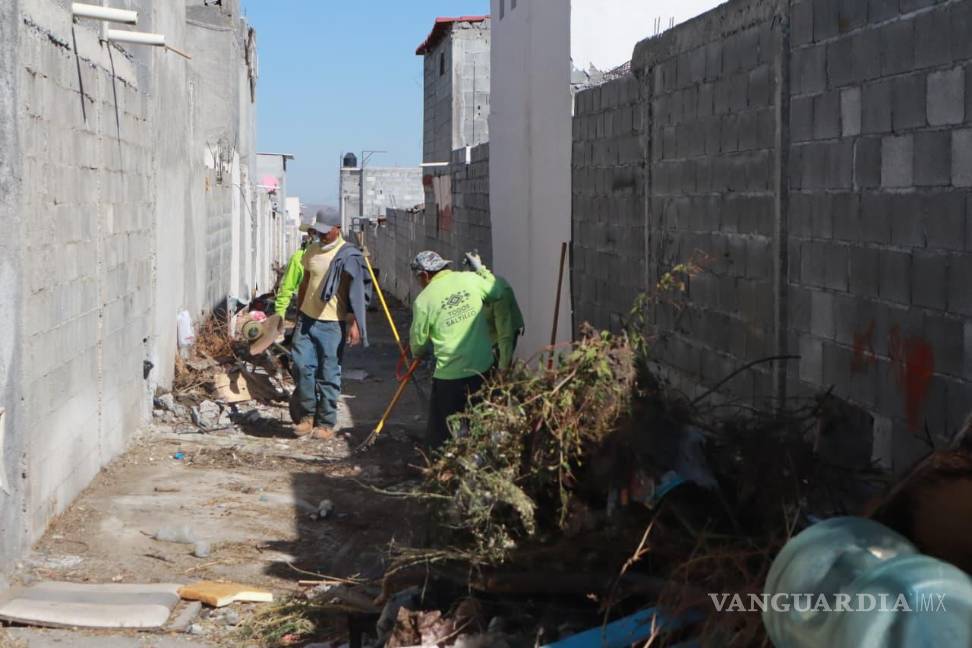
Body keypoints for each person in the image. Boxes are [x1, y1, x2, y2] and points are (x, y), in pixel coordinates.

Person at [409, 250, 504, 448]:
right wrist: (481, 270)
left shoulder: (424, 300)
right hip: (483, 367)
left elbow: (418, 344)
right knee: (482, 421)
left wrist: (418, 353)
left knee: (444, 431)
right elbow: (497, 292)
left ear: (424, 275)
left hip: (449, 375)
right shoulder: (470, 279)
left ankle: (446, 467)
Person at [291, 210, 372, 439]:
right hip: (306, 319)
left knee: (328, 373)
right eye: (321, 231)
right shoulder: (312, 250)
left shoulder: (349, 255)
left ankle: (326, 422)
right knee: (302, 367)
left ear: (338, 228)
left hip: (332, 324)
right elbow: (306, 281)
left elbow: (358, 293)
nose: (323, 236)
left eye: (327, 231)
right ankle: (307, 416)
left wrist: (355, 323)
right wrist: (298, 312)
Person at [463, 251, 524, 371]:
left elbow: (505, 334)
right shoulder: (468, 291)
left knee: (496, 370)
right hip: (487, 333)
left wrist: (503, 369)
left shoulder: (499, 292)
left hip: (503, 332)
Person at [274, 222, 311, 319]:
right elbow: (286, 288)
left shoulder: (337, 256)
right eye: (313, 232)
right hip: (305, 316)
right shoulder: (298, 258)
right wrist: (279, 316)